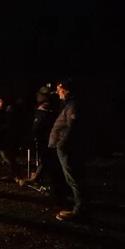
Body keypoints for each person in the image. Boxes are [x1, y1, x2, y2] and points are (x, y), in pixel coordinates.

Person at [49, 79, 88, 222]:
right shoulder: (68, 104)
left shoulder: (73, 105)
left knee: (73, 177)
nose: (58, 92)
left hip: (66, 148)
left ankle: (79, 210)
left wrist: (61, 143)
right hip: (64, 147)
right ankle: (78, 204)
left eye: (59, 90)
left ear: (66, 90)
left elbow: (73, 127)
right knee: (71, 177)